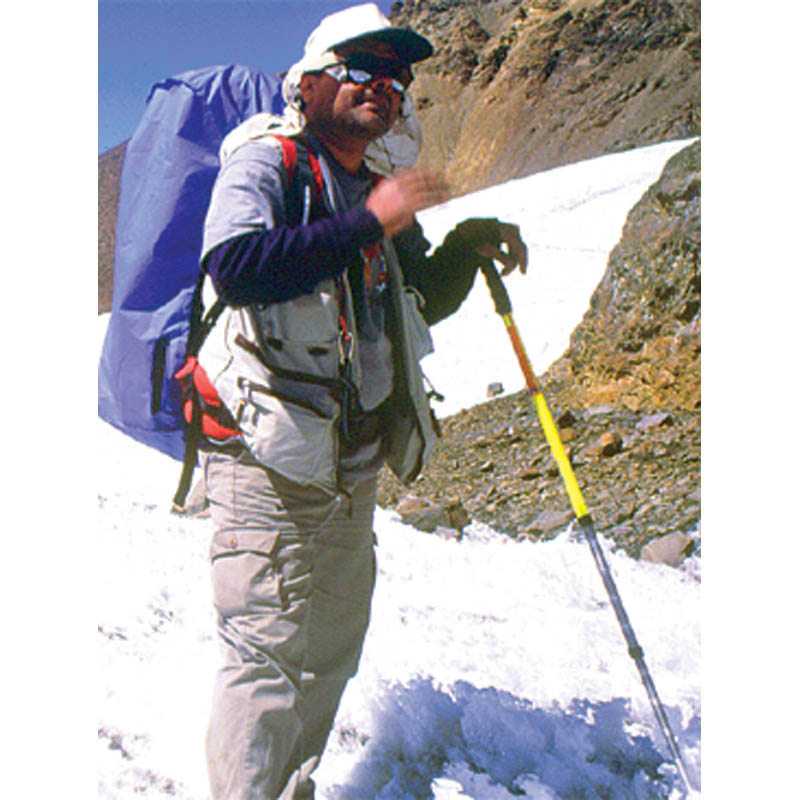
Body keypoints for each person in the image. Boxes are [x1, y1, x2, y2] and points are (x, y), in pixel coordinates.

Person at [196, 4, 527, 798]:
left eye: (397, 74)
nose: (384, 83)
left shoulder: (376, 188)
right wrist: (366, 222)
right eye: (361, 66)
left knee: (329, 646)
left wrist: (461, 245)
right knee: (268, 653)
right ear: (310, 83)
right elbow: (236, 266)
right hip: (265, 453)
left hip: (347, 455)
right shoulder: (266, 162)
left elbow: (418, 297)